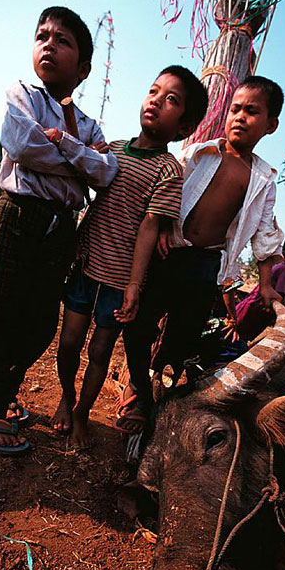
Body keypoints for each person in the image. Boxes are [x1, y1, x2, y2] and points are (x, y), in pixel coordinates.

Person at [0, 6, 119, 456]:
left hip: (61, 230)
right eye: (42, 35)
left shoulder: (88, 125)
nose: (48, 43)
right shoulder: (23, 94)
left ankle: (7, 391)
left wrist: (66, 145)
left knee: (39, 320)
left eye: (62, 39)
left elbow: (107, 174)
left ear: (84, 67)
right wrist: (80, 166)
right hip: (18, 214)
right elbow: (21, 144)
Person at [116, 75, 285, 434]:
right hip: (167, 253)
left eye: (252, 112)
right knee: (139, 325)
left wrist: (268, 285)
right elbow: (166, 189)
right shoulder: (199, 153)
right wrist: (162, 227)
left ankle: (158, 391)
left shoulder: (263, 179)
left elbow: (265, 234)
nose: (239, 117)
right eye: (235, 109)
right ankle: (137, 386)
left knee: (183, 336)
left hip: (206, 264)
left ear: (271, 125)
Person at [53, 65, 208, 448]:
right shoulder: (113, 150)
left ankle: (81, 413)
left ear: (185, 127)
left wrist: (134, 285)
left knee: (101, 350)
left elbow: (150, 226)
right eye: (154, 91)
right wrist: (89, 155)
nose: (156, 100)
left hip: (120, 280)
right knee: (69, 342)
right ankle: (66, 396)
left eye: (171, 99)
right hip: (86, 265)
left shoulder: (168, 169)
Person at [223, 233, 285, 346]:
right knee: (233, 342)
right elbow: (281, 300)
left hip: (249, 313)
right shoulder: (284, 271)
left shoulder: (282, 271)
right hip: (249, 314)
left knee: (236, 341)